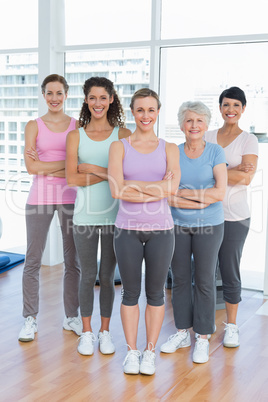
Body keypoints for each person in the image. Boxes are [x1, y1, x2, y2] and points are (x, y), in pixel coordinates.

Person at [108, 88, 180, 375]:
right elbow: (116, 189)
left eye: (151, 110)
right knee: (129, 293)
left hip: (162, 230)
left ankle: (149, 351)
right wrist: (156, 189)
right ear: (132, 112)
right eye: (140, 110)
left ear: (158, 112)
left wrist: (133, 187)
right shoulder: (119, 146)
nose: (145, 115)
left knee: (156, 294)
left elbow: (172, 189)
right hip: (126, 229)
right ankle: (132, 352)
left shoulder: (170, 148)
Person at [66, 76, 131, 356]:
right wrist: (110, 176)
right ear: (85, 100)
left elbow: (127, 178)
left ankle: (105, 332)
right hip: (84, 216)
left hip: (117, 216)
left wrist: (92, 168)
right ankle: (87, 332)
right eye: (92, 98)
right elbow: (72, 178)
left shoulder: (124, 135)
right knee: (87, 275)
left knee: (107, 276)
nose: (97, 103)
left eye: (103, 98)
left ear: (112, 100)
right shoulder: (75, 135)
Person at [160, 101, 227, 364]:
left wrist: (183, 195)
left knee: (204, 279)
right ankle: (181, 332)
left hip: (210, 224)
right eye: (189, 120)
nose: (194, 125)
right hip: (176, 224)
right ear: (181, 126)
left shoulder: (215, 152)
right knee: (179, 279)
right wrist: (201, 198)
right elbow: (167, 195)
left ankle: (202, 336)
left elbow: (220, 193)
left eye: (199, 120)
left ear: (207, 125)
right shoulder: (173, 153)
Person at [19, 74, 82, 342]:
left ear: (66, 95)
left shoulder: (77, 126)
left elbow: (78, 164)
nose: (54, 98)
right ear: (43, 95)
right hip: (39, 197)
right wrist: (65, 165)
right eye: (49, 93)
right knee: (33, 259)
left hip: (71, 196)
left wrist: (55, 167)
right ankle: (30, 319)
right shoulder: (33, 125)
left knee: (73, 261)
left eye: (59, 93)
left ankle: (71, 317)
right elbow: (32, 168)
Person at [204, 87, 258, 347]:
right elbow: (198, 172)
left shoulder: (248, 140)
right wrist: (231, 169)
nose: (231, 110)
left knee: (229, 270)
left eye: (236, 105)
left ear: (243, 109)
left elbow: (247, 178)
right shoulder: (208, 135)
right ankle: (203, 323)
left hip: (235, 217)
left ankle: (232, 325)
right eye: (226, 104)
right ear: (220, 107)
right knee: (203, 271)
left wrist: (217, 169)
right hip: (206, 213)